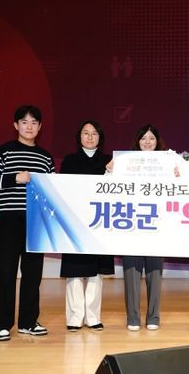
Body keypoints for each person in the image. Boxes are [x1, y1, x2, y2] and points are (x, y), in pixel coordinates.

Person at [0, 105, 55, 341]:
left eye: (34, 122)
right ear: (16, 125)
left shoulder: (45, 157)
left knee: (33, 274)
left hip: (36, 223)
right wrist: (15, 178)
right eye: (24, 122)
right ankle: (1, 324)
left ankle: (28, 322)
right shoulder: (3, 152)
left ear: (40, 127)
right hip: (9, 221)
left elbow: (51, 190)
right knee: (6, 271)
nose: (29, 126)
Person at [59, 120, 114, 332]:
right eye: (85, 133)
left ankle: (93, 317)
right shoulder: (70, 161)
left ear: (100, 137)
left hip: (100, 222)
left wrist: (111, 172)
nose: (90, 137)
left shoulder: (109, 161)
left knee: (96, 273)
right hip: (75, 222)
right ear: (79, 137)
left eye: (94, 133)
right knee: (74, 272)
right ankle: (74, 317)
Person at [122, 124, 165, 331]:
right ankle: (133, 318)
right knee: (131, 272)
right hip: (131, 223)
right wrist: (110, 171)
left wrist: (178, 174)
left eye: (151, 138)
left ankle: (153, 317)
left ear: (157, 142)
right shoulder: (126, 163)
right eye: (143, 138)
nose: (147, 142)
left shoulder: (166, 164)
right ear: (137, 141)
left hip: (156, 225)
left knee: (155, 274)